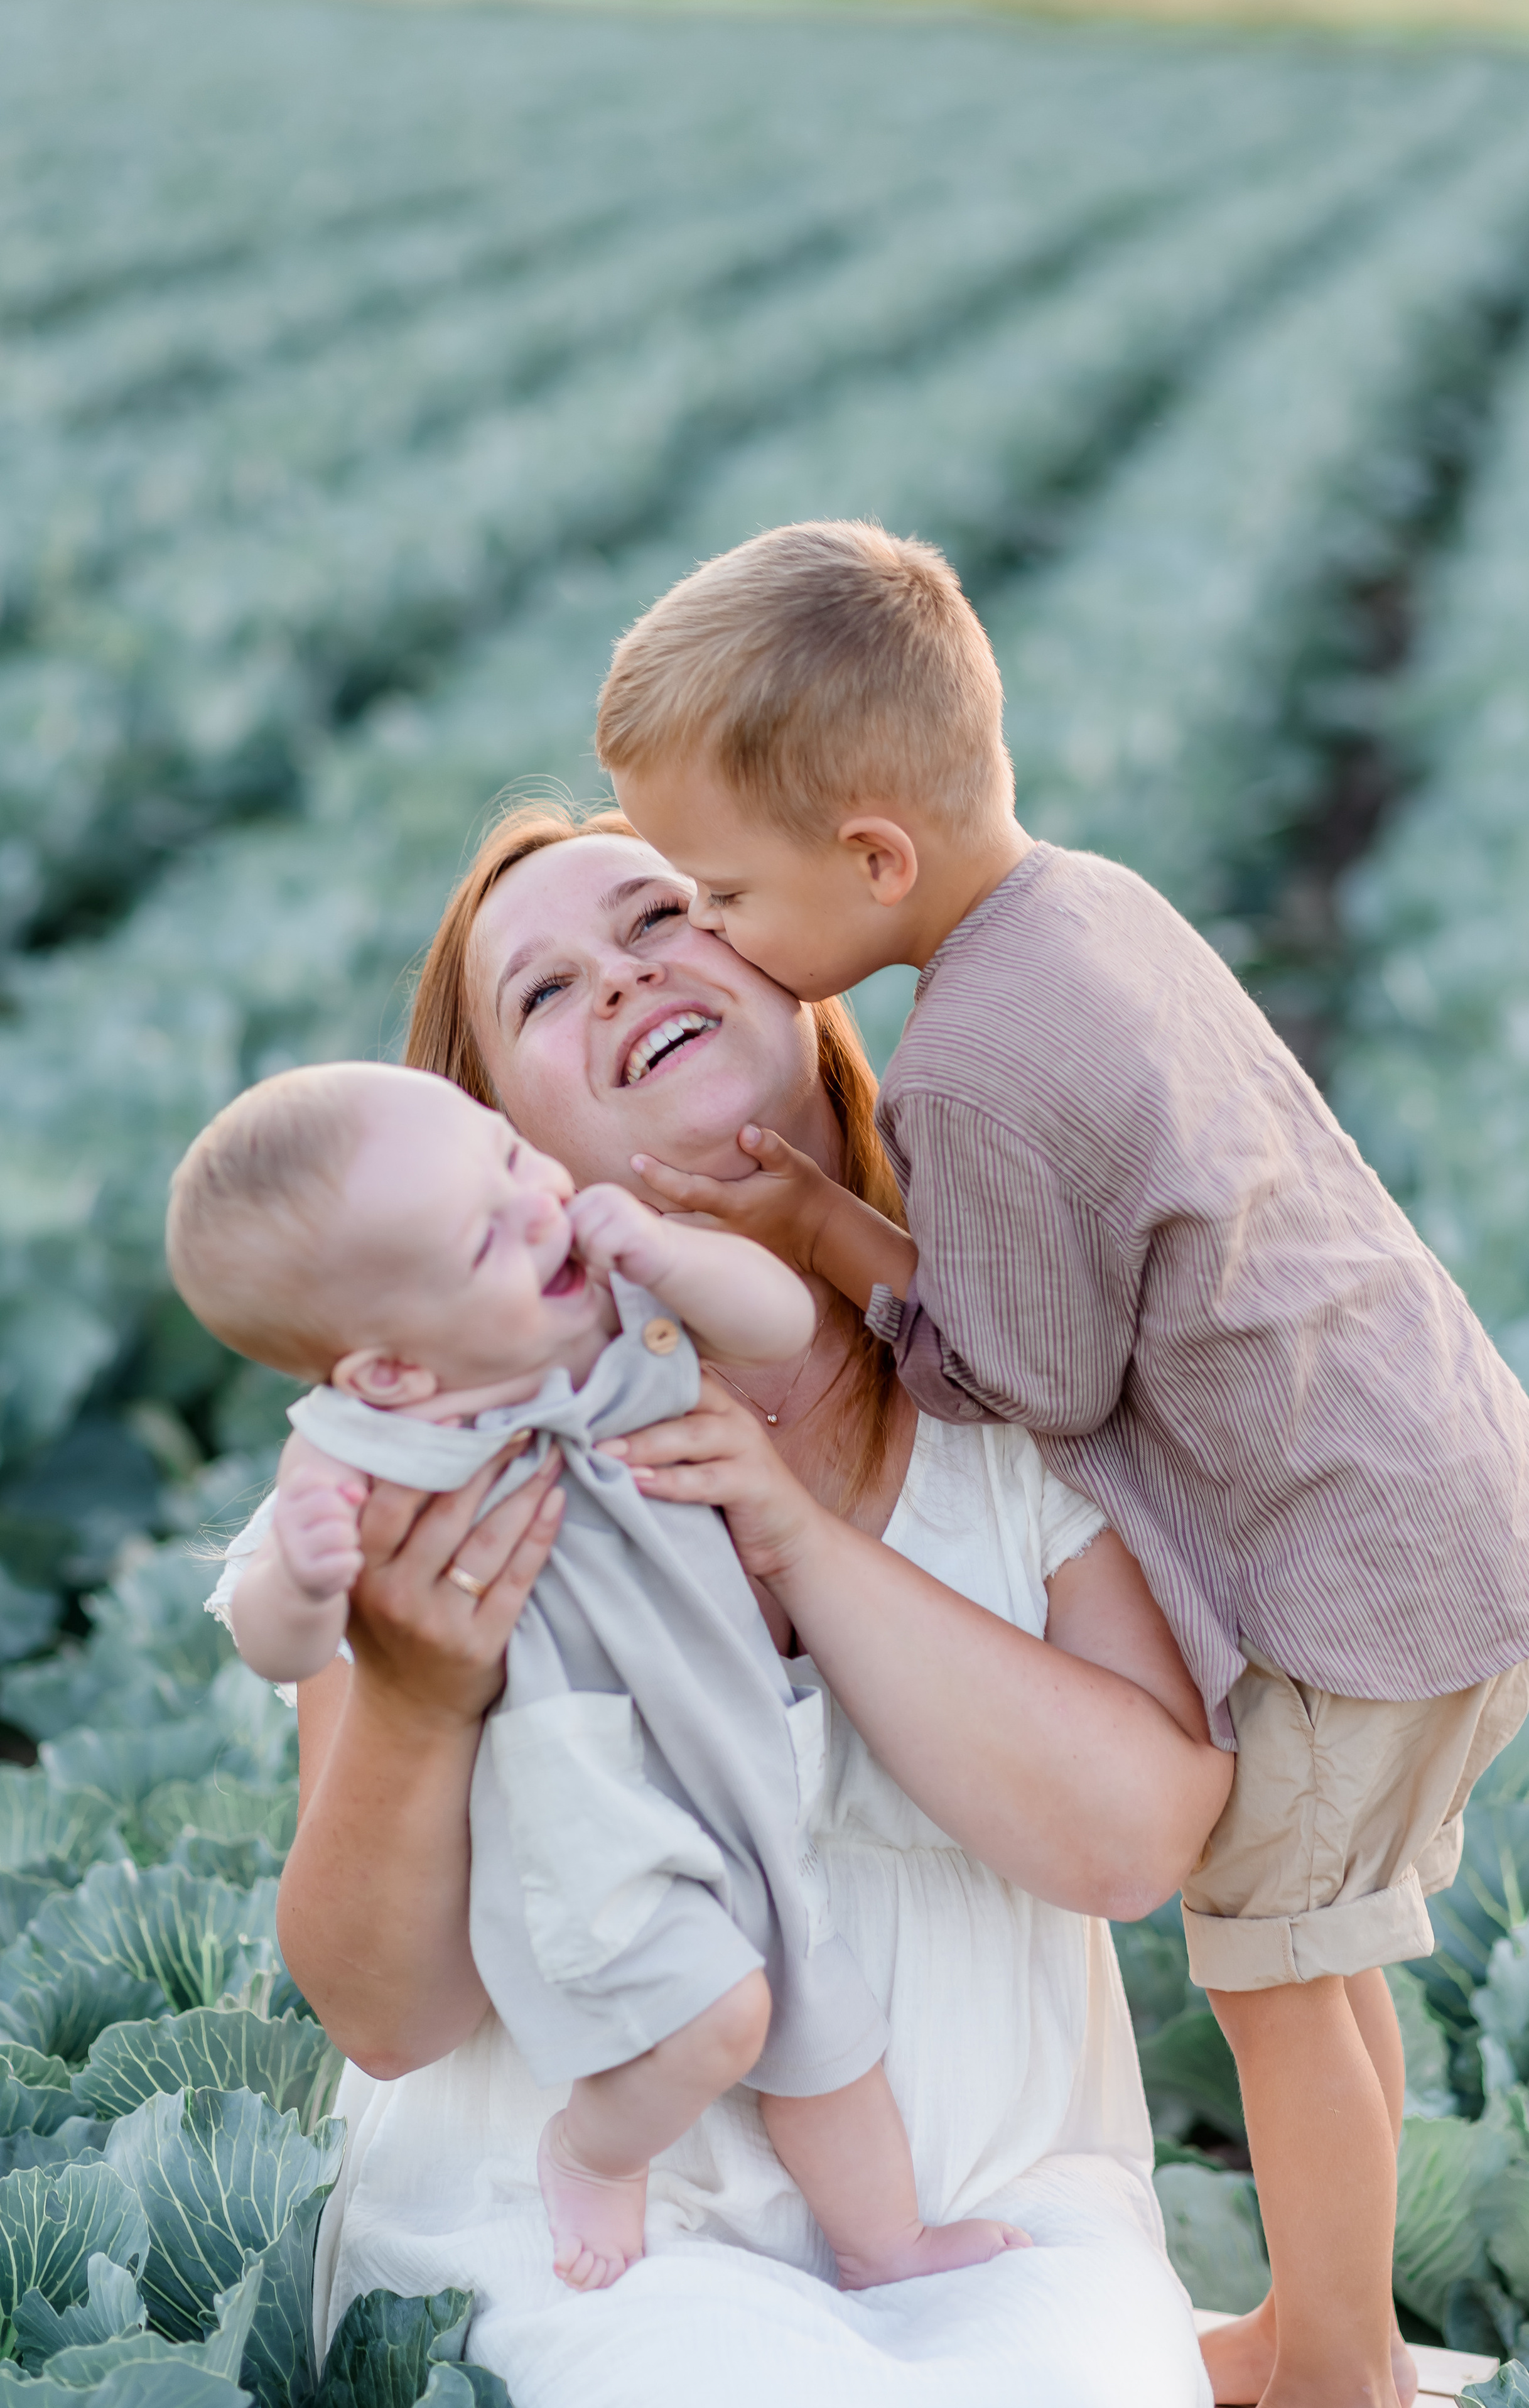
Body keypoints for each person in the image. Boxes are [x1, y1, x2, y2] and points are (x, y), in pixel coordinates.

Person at [596, 519, 1529, 2408]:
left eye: (723, 895)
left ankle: (1339, 2373)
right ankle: (1325, 2325)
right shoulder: (1088, 906)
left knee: (1271, 1987)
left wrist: (829, 1246)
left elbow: (1025, 1375)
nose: (711, 939)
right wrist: (836, 1218)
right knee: (1333, 1962)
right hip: (1437, 1511)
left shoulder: (964, 1071)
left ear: (873, 860)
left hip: (1335, 1581)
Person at [259, 805, 1229, 2407]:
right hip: (564, 2241)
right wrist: (421, 1705)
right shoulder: (442, 1462)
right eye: (543, 991)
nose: (621, 979)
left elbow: (1129, 1844)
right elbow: (383, 2017)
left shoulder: (1019, 1369)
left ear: (791, 966)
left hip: (989, 2229)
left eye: (660, 918)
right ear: (494, 1142)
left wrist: (787, 1535)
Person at [172, 1060, 1029, 2292]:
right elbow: (280, 1644)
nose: (538, 1206)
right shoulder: (368, 1450)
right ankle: (594, 2149)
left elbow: (777, 1321)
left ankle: (882, 2244)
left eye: (509, 1157)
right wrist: (304, 1578)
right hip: (580, 1784)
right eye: (486, 1236)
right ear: (389, 1371)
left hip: (728, 1739)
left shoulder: (621, 1301)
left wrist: (671, 1255)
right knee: (716, 2017)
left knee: (823, 2025)